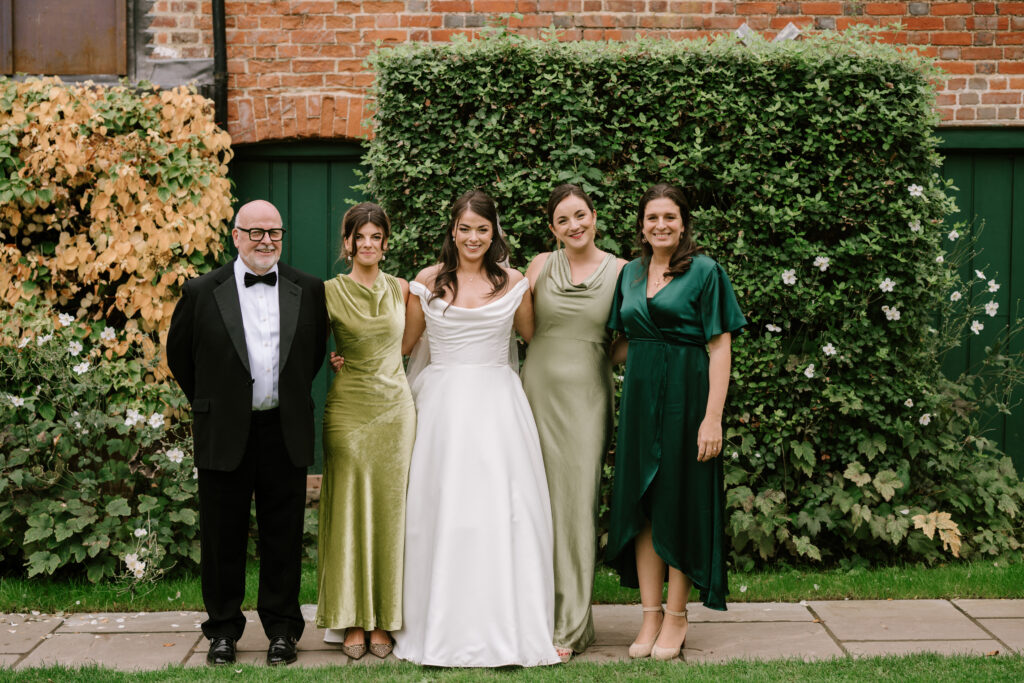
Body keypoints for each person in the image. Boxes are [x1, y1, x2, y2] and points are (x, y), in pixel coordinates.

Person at [391, 189, 561, 667]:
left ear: (494, 233)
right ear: (453, 230)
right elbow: (403, 346)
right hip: (440, 409)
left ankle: (505, 624)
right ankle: (436, 623)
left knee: (500, 511)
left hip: (498, 407)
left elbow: (535, 339)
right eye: (465, 228)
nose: (473, 237)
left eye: (482, 229)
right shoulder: (426, 282)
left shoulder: (514, 282)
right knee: (440, 510)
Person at [166, 199, 327, 666]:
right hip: (224, 428)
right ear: (235, 236)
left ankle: (281, 630)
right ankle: (222, 631)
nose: (265, 241)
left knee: (284, 534)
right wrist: (219, 401)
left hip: (284, 427)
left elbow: (311, 355)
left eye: (273, 232)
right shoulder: (201, 291)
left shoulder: (308, 289)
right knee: (222, 537)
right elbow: (181, 357)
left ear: (282, 236)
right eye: (254, 232)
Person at [605, 183, 746, 661]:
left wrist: (713, 417)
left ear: (683, 222)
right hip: (641, 399)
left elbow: (720, 345)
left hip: (688, 397)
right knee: (643, 505)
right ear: (641, 226)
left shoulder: (705, 271)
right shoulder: (630, 274)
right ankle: (649, 614)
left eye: (669, 217)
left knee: (679, 502)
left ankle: (677, 616)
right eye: (651, 218)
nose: (660, 225)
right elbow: (619, 341)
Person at [520, 184, 627, 661]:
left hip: (587, 400)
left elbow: (631, 336)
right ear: (552, 229)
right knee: (533, 504)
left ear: (594, 216)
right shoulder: (540, 265)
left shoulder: (623, 271)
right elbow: (517, 323)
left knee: (577, 506)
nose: (574, 226)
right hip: (534, 394)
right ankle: (530, 615)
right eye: (563, 220)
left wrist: (598, 354)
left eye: (580, 215)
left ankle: (572, 626)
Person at [316, 203, 415, 660]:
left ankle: (384, 620)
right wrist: (336, 358)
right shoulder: (330, 292)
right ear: (348, 243)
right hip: (349, 412)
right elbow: (308, 346)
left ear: (385, 242)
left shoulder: (404, 289)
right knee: (350, 508)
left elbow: (408, 346)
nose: (369, 244)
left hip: (395, 412)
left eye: (377, 236)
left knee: (390, 511)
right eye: (362, 237)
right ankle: (352, 618)